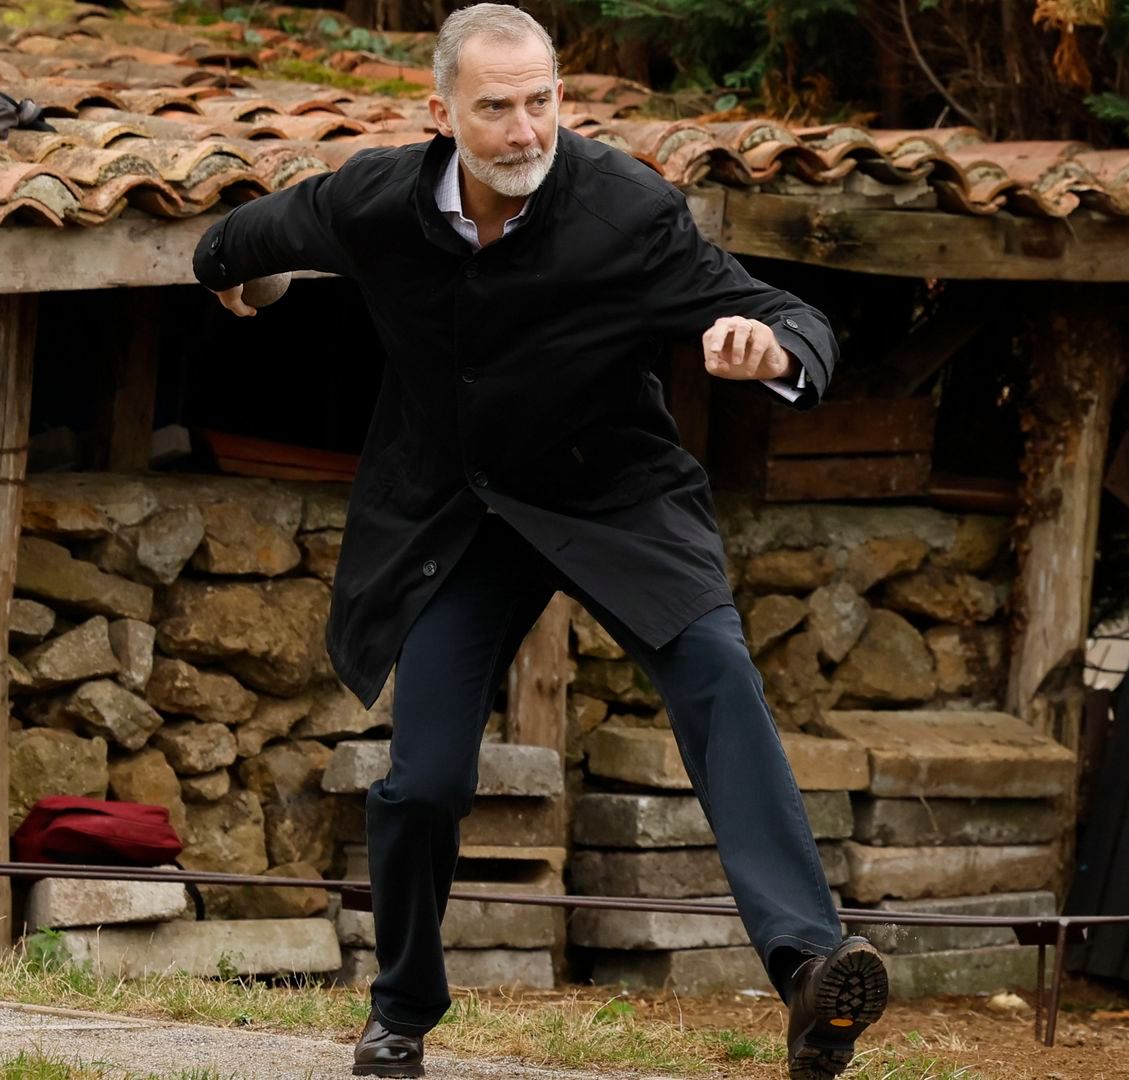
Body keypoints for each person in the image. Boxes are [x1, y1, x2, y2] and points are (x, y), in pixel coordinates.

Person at [193, 6, 887, 1078]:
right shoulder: (375, 199)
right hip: (458, 515)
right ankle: (400, 1012)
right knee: (422, 782)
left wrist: (771, 348)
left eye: (543, 101)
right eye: (497, 107)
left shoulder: (626, 209)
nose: (525, 130)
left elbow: (785, 314)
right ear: (443, 114)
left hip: (613, 498)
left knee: (718, 681)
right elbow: (238, 244)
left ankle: (807, 970)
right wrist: (253, 281)